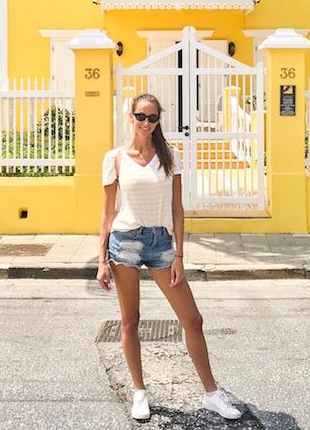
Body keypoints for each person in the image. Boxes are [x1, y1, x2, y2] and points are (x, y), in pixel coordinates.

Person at [96, 93, 242, 422]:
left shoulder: (169, 155)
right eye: (140, 116)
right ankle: (139, 392)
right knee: (130, 321)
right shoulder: (115, 158)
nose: (146, 123)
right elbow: (107, 213)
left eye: (152, 117)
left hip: (161, 242)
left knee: (192, 319)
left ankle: (211, 393)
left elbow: (178, 208)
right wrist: (101, 259)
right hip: (125, 242)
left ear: (158, 120)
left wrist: (179, 254)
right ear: (130, 117)